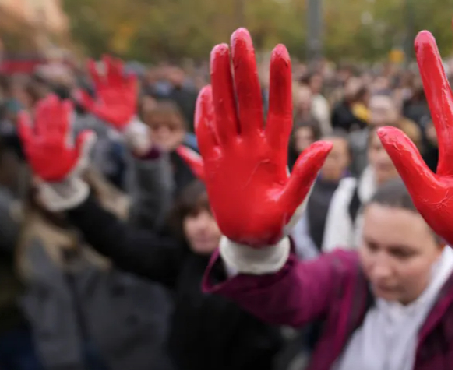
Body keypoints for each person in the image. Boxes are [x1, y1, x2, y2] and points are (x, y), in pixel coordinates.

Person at [179, 9, 453, 370]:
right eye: (371, 246)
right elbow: (290, 301)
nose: (379, 267)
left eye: (401, 253)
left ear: (440, 249)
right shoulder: (347, 273)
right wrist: (253, 250)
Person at [19, 63, 284, 370]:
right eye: (192, 217)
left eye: (211, 216)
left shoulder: (261, 273)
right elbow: (117, 240)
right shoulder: (182, 261)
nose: (200, 226)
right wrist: (71, 196)